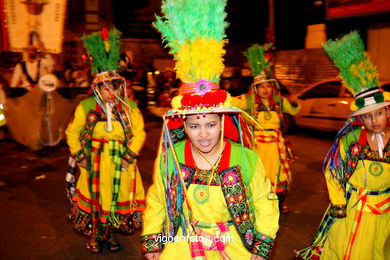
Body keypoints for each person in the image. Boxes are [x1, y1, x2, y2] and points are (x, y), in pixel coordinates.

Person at [141, 1, 279, 259]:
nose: (203, 134)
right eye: (194, 126)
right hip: (182, 243)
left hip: (234, 243)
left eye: (210, 124)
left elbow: (264, 202)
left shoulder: (245, 157)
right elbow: (158, 199)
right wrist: (153, 240)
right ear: (183, 125)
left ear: (223, 122)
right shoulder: (172, 156)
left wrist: (262, 244)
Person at [295, 31, 390, 260]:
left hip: (385, 211)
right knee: (346, 248)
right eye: (367, 116)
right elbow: (333, 172)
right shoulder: (351, 140)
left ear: (388, 111)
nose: (374, 120)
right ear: (359, 119)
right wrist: (338, 201)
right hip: (353, 206)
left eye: (378, 113)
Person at [65, 28, 146, 253]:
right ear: (97, 88)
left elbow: (139, 132)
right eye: (106, 87)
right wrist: (80, 156)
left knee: (114, 200)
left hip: (121, 162)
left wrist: (130, 156)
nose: (111, 92)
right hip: (95, 162)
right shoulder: (86, 107)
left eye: (115, 87)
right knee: (95, 199)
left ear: (121, 87)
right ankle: (95, 234)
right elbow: (72, 133)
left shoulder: (129, 109)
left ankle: (108, 235)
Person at [232, 44, 300, 214]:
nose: (265, 90)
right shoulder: (250, 102)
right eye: (261, 86)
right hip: (257, 146)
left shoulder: (279, 101)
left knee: (279, 175)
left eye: (268, 86)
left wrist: (293, 100)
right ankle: (256, 204)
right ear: (255, 88)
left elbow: (294, 110)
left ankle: (277, 204)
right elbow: (234, 103)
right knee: (257, 175)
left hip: (277, 147)